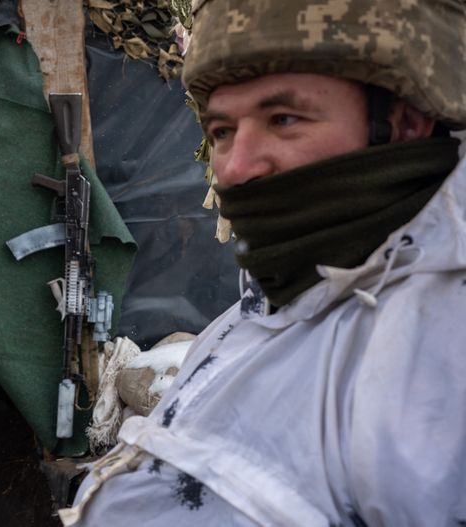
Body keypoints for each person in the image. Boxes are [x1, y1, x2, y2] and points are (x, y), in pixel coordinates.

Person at [60, 0, 466, 525]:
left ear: (406, 123)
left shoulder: (438, 342)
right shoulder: (289, 291)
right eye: (222, 131)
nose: (236, 167)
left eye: (284, 119)